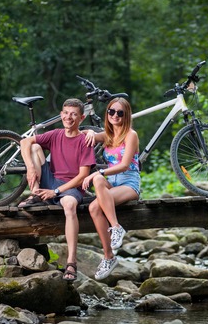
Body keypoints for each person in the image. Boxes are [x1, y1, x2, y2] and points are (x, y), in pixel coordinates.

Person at [18, 98, 96, 281]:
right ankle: (35, 194)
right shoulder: (55, 134)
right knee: (35, 146)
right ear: (61, 114)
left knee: (69, 206)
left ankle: (71, 262)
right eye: (66, 113)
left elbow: (82, 176)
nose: (69, 117)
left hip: (70, 186)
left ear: (81, 118)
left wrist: (57, 192)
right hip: (49, 180)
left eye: (74, 114)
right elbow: (24, 143)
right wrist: (30, 167)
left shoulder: (84, 140)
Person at [82, 97, 140, 280]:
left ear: (126, 115)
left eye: (119, 113)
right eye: (111, 111)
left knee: (93, 204)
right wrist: (90, 132)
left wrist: (95, 173)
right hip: (110, 183)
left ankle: (115, 229)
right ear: (107, 113)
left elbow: (124, 165)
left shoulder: (131, 135)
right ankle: (110, 256)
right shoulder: (107, 135)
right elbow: (87, 135)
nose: (115, 115)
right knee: (98, 182)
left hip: (128, 182)